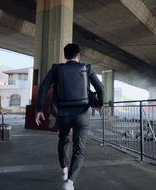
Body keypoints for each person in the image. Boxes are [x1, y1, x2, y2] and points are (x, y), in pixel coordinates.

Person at [35, 43, 104, 190]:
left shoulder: (57, 69)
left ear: (65, 56)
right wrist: (100, 103)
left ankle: (63, 168)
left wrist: (39, 109)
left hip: (63, 114)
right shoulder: (87, 68)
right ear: (78, 56)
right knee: (79, 149)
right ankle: (70, 182)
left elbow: (44, 87)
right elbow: (100, 88)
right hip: (82, 114)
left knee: (64, 140)